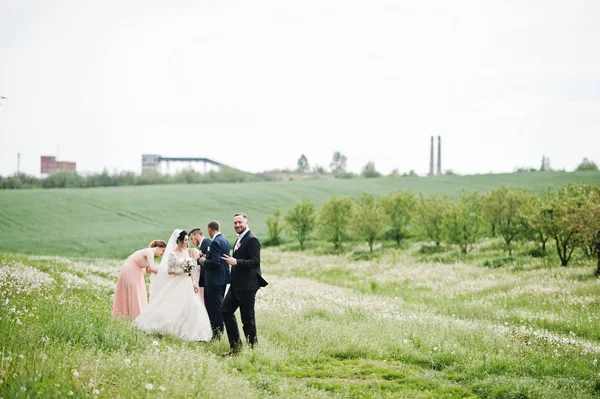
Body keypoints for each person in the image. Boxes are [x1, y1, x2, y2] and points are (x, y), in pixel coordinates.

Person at [136, 230, 212, 341]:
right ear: (179, 241)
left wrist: (194, 283)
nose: (187, 242)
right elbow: (170, 271)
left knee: (193, 305)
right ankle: (164, 327)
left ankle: (190, 331)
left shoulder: (186, 252)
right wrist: (183, 270)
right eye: (185, 240)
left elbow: (191, 269)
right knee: (173, 305)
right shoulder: (172, 254)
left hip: (187, 282)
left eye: (187, 240)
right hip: (177, 281)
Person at [221, 213, 268, 355]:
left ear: (246, 222)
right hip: (236, 285)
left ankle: (253, 351)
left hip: (247, 286)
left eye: (239, 222)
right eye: (235, 223)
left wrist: (236, 262)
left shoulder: (252, 239)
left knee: (247, 319)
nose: (237, 225)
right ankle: (235, 347)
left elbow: (255, 261)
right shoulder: (240, 239)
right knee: (225, 310)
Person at [112, 240, 166, 319]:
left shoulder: (150, 254)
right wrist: (165, 272)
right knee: (134, 292)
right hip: (131, 269)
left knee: (135, 292)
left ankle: (132, 315)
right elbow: (152, 268)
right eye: (163, 250)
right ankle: (135, 316)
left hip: (134, 270)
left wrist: (160, 269)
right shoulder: (150, 252)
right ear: (158, 247)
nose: (162, 254)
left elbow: (148, 271)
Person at [197, 221, 231, 339]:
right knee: (218, 306)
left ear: (210, 229)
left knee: (214, 308)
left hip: (214, 280)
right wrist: (208, 257)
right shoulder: (225, 240)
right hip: (222, 279)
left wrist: (203, 261)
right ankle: (218, 332)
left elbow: (215, 263)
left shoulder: (215, 242)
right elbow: (219, 259)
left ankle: (217, 335)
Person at [189, 227, 211, 299]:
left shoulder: (207, 243)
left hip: (209, 279)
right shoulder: (202, 245)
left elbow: (208, 259)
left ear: (197, 236)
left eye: (192, 239)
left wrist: (191, 263)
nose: (192, 242)